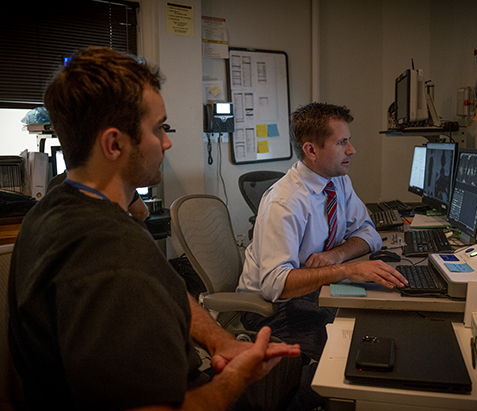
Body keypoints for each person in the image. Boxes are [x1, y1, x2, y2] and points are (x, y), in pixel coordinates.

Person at [8, 46, 300, 411]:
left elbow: (168, 283)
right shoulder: (115, 259)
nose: (167, 141)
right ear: (114, 144)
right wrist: (235, 378)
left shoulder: (56, 201)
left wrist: (222, 342)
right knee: (302, 370)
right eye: (158, 128)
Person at [237, 102, 407, 360]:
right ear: (311, 150)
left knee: (377, 322)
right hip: (272, 307)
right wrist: (347, 269)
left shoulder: (338, 180)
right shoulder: (285, 202)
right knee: (336, 354)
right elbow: (275, 285)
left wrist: (337, 256)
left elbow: (369, 233)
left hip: (313, 290)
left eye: (348, 141)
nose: (352, 150)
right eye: (341, 143)